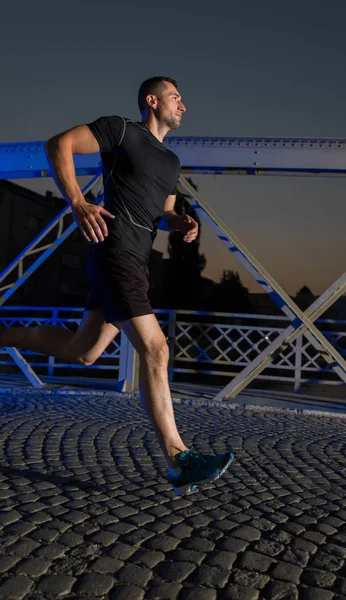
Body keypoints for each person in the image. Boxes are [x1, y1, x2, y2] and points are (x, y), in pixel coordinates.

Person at [0, 76, 234, 496]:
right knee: (156, 349)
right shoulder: (121, 130)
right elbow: (59, 144)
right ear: (152, 100)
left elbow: (161, 212)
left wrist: (178, 222)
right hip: (114, 252)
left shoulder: (172, 162)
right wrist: (77, 202)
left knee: (84, 351)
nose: (184, 105)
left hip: (137, 262)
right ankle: (179, 459)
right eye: (176, 97)